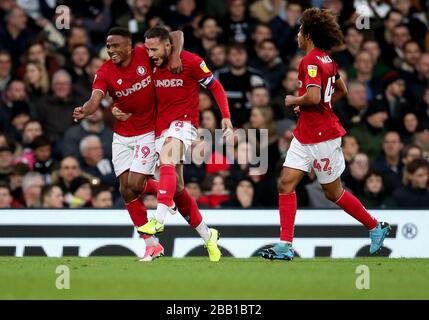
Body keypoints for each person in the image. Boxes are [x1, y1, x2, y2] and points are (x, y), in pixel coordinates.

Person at [259, 8, 391, 261]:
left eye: (300, 31)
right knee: (285, 183)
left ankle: (375, 226)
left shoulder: (309, 61)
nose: (297, 35)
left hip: (322, 136)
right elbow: (341, 89)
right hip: (305, 132)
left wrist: (293, 100)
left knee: (333, 192)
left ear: (308, 35)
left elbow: (314, 96)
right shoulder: (327, 60)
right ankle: (285, 246)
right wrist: (317, 106)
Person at [114, 27, 233, 262]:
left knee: (168, 157)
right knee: (176, 188)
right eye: (147, 49)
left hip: (184, 124)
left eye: (154, 49)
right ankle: (208, 235)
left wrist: (226, 116)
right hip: (158, 128)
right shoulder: (150, 64)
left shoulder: (191, 62)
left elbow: (215, 86)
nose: (150, 54)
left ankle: (158, 220)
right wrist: (118, 108)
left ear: (168, 46)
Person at [73, 27, 184, 262]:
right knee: (126, 190)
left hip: (148, 131)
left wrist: (174, 56)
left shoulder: (145, 54)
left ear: (129, 47)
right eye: (108, 46)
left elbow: (176, 34)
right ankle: (151, 244)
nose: (111, 50)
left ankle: (165, 190)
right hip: (122, 134)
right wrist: (85, 110)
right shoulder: (104, 72)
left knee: (134, 183)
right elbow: (95, 98)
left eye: (115, 46)